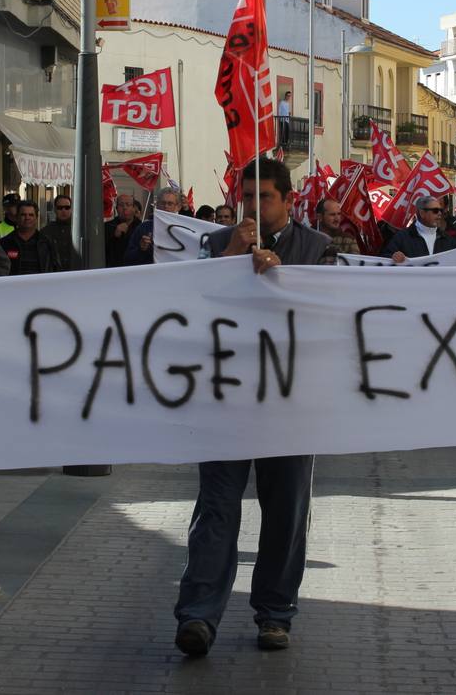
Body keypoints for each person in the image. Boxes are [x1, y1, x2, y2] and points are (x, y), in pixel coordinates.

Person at [174, 158, 336, 657]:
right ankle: (199, 616)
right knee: (215, 511)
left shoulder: (318, 248)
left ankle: (275, 614)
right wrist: (230, 257)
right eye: (246, 197)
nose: (252, 206)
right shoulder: (214, 246)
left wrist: (283, 279)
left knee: (286, 512)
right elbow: (191, 303)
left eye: (263, 197)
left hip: (289, 406)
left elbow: (325, 317)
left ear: (288, 201)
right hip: (227, 401)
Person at [381, 194, 456, 262]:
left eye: (441, 210)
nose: (439, 214)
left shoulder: (448, 240)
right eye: (435, 211)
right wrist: (394, 257)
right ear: (422, 213)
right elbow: (383, 260)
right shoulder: (402, 238)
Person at [124, 186, 182, 266]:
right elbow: (128, 258)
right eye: (163, 203)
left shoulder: (183, 229)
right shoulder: (144, 228)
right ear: (157, 205)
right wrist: (141, 249)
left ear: (177, 207)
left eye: (170, 203)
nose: (166, 206)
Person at [0, 200, 61, 274]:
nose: (27, 218)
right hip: (13, 285)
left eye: (31, 215)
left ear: (36, 218)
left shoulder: (47, 243)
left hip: (41, 284)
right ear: (17, 217)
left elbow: (56, 269)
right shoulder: (4, 243)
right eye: (23, 215)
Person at [43, 194, 81, 270]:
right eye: (60, 208)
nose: (63, 211)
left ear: (71, 209)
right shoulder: (46, 231)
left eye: (67, 208)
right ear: (55, 209)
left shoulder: (79, 229)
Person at [104, 194, 137, 268]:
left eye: (128, 205)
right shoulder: (107, 226)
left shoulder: (141, 227)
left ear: (134, 208)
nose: (125, 208)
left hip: (135, 269)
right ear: (116, 208)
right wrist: (114, 236)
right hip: (114, 270)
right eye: (121, 205)